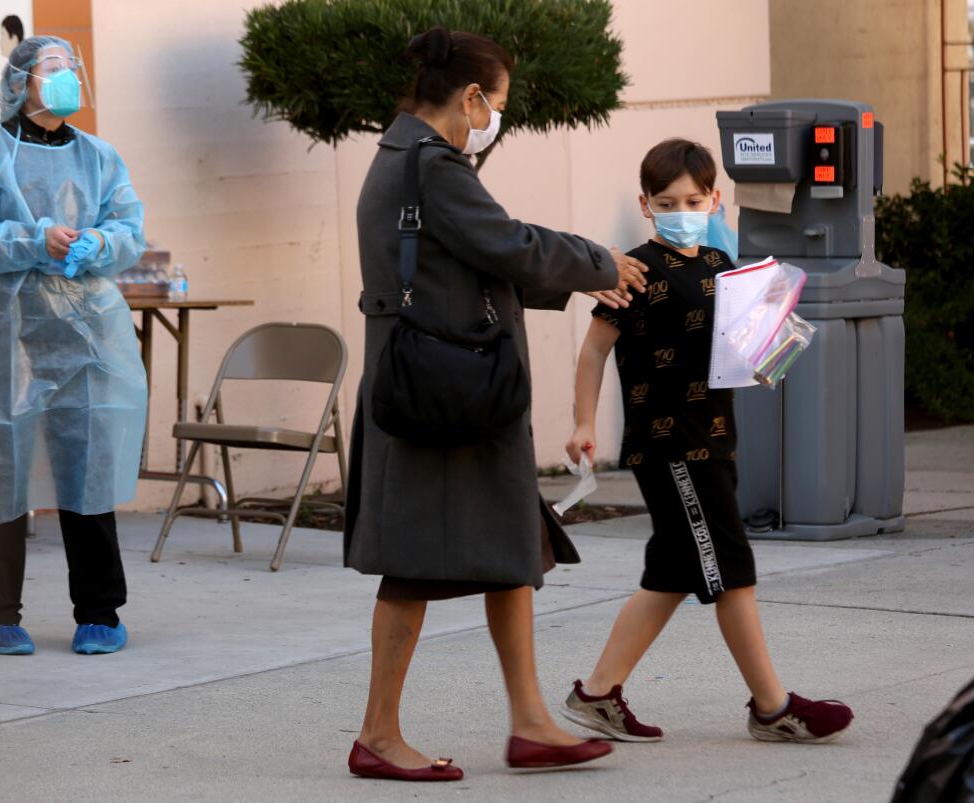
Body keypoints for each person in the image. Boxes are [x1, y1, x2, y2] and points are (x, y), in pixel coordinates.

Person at [344, 26, 648, 781]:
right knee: (414, 564)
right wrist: (597, 260)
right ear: (471, 96)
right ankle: (378, 735)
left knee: (515, 547)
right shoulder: (431, 166)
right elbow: (505, 242)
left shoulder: (403, 156)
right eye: (498, 102)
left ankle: (532, 722)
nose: (496, 115)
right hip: (444, 393)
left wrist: (578, 279)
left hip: (447, 387)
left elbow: (476, 256)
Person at [560, 138, 854, 744]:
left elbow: (747, 346)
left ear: (715, 199)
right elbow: (593, 350)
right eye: (666, 201)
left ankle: (596, 695)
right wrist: (584, 423)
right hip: (670, 447)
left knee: (673, 571)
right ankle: (773, 708)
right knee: (730, 567)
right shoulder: (634, 270)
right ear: (645, 205)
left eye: (694, 199)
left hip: (714, 437)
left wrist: (776, 335)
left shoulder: (721, 265)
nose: (681, 209)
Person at [0, 36, 148, 657]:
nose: (65, 76)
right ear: (21, 81)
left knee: (87, 471)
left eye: (71, 67)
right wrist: (34, 238)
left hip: (84, 337)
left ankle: (100, 614)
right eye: (52, 68)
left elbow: (128, 228)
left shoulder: (100, 158)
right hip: (0, 333)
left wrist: (98, 244)